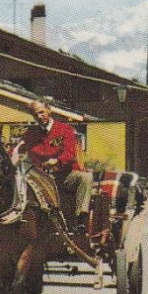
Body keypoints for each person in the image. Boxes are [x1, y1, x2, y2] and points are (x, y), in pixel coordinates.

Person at [26, 96, 93, 230]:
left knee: (86, 177)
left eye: (41, 112)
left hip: (65, 175)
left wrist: (57, 161)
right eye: (35, 114)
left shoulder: (64, 129)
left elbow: (70, 154)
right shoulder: (31, 134)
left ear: (49, 110)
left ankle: (81, 219)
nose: (39, 117)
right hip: (42, 178)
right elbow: (31, 157)